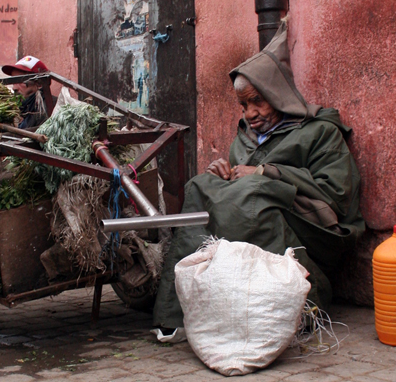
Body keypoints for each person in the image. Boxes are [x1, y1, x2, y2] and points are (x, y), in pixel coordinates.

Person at [153, 21, 365, 335]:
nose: (250, 113)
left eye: (257, 101)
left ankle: (304, 303)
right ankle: (178, 312)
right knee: (200, 187)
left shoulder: (320, 133)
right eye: (243, 105)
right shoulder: (247, 138)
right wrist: (222, 175)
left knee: (252, 193)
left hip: (315, 229)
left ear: (277, 94)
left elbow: (337, 194)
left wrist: (266, 173)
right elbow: (237, 187)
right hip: (252, 215)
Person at [2, 56, 50, 129]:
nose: (14, 88)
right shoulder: (21, 109)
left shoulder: (48, 109)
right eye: (13, 81)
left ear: (39, 84)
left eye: (20, 80)